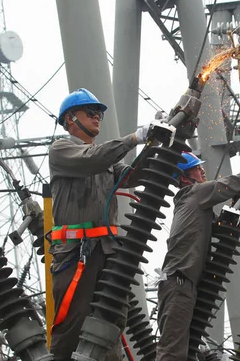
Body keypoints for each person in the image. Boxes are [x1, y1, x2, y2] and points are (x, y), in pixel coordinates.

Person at [155, 151, 240, 361]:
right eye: (196, 167)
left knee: (188, 353)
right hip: (179, 283)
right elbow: (238, 180)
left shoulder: (197, 206)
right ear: (184, 177)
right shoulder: (195, 193)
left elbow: (222, 230)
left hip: (186, 283)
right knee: (172, 354)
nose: (203, 170)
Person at [48, 88, 153, 361]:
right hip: (76, 254)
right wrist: (133, 138)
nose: (98, 117)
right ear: (70, 118)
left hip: (107, 251)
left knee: (111, 321)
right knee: (75, 321)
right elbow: (93, 160)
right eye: (91, 112)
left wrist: (156, 143)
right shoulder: (62, 150)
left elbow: (131, 176)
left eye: (100, 114)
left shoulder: (105, 160)